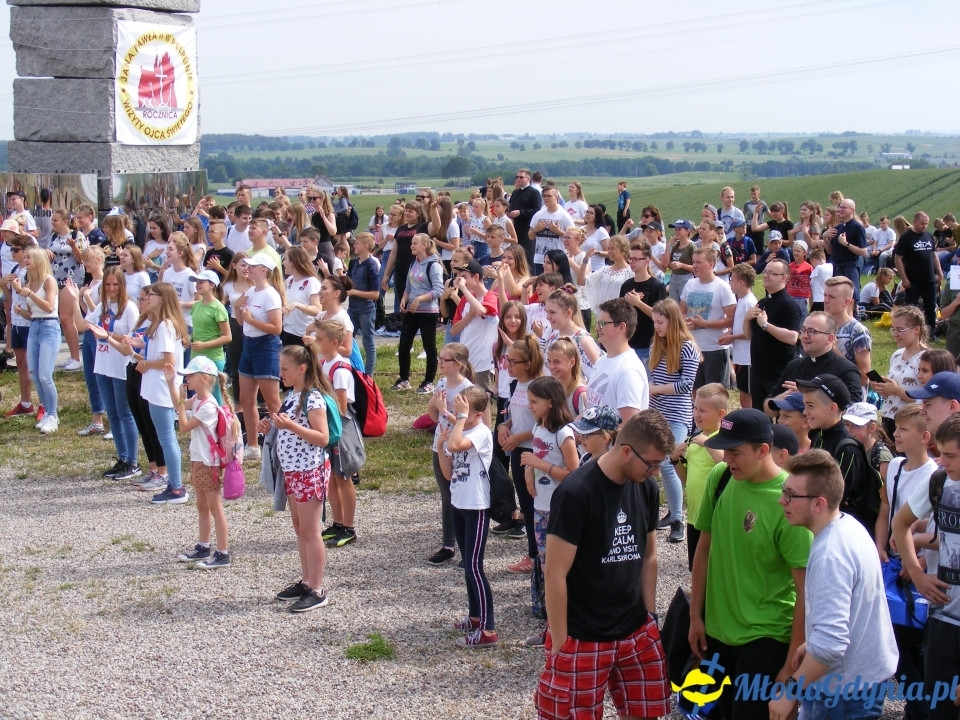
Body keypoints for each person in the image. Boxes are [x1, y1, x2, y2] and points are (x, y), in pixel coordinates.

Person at [536, 410, 674, 720]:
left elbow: (649, 556)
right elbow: (555, 573)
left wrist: (649, 616)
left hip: (636, 629)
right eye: (651, 464)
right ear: (626, 450)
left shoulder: (646, 487)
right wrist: (560, 641)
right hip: (582, 634)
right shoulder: (576, 493)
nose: (655, 472)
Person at [690, 409, 812, 720]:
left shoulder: (790, 499)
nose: (727, 458)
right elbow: (703, 549)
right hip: (717, 634)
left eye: (735, 451)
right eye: (725, 450)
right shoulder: (721, 478)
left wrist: (789, 666)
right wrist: (695, 615)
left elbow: (805, 592)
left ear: (763, 450)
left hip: (766, 638)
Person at [769, 450, 898, 720]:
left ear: (819, 504)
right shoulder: (848, 525)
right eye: (784, 490)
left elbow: (831, 644)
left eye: (791, 494)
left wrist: (790, 693)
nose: (782, 500)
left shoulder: (831, 554)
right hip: (859, 681)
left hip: (842, 693)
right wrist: (815, 643)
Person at [892, 412, 960, 720]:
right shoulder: (940, 480)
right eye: (941, 454)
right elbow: (899, 523)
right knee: (940, 709)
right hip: (943, 616)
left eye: (951, 456)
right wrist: (918, 575)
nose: (942, 462)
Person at [268, 345, 334, 613]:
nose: (280, 373)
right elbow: (288, 427)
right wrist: (270, 425)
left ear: (301, 369)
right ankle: (307, 581)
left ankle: (317, 589)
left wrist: (290, 426)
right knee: (300, 528)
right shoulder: (291, 395)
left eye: (284, 369)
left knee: (311, 531)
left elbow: (323, 437)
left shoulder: (313, 398)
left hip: (309, 471)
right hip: (293, 471)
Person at [437, 386, 498, 648]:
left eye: (463, 410)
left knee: (475, 566)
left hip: (476, 505)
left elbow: (456, 443)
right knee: (467, 564)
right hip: (458, 502)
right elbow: (449, 472)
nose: (457, 413)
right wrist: (441, 448)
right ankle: (475, 617)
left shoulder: (482, 432)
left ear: (478, 413)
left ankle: (488, 629)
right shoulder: (463, 428)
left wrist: (458, 419)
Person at [520, 376, 578, 644]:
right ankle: (548, 617)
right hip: (540, 505)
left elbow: (574, 475)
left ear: (551, 403)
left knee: (554, 567)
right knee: (543, 563)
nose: (529, 406)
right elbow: (534, 456)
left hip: (559, 509)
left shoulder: (564, 434)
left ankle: (558, 625)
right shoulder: (539, 427)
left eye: (534, 402)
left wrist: (538, 465)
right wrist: (530, 473)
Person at [68, 266, 141, 478]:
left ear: (122, 285)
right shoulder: (103, 305)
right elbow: (82, 325)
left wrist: (107, 334)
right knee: (113, 414)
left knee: (125, 413)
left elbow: (132, 340)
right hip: (103, 365)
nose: (111, 288)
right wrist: (75, 300)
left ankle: (133, 462)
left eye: (115, 284)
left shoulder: (129, 308)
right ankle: (123, 457)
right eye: (108, 285)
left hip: (121, 365)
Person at [165, 357, 233, 569]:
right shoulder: (198, 401)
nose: (187, 378)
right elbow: (178, 405)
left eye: (191, 375)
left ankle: (223, 552)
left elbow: (183, 426)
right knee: (202, 505)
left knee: (215, 507)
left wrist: (182, 404)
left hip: (208, 463)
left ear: (205, 378)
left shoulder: (208, 407)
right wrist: (170, 384)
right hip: (198, 460)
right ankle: (203, 546)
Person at [125, 282, 190, 504]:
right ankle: (175, 484)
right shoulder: (160, 325)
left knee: (166, 438)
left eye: (151, 295)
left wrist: (146, 364)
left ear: (162, 299)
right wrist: (141, 347)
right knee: (165, 437)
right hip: (158, 387)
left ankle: (177, 487)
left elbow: (167, 361)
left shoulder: (164, 326)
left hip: (162, 388)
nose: (146, 298)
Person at [797, 374, 880, 531]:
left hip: (842, 530)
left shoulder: (847, 449)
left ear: (832, 408)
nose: (805, 412)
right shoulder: (819, 436)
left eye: (811, 406)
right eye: (805, 405)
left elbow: (834, 499)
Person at [649, 299, 701, 545]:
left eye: (661, 322)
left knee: (669, 462)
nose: (657, 327)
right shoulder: (656, 345)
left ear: (672, 320)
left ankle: (678, 519)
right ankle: (672, 510)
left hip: (678, 415)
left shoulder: (687, 347)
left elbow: (685, 385)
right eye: (655, 322)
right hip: (656, 412)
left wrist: (656, 389)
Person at [425, 343, 475, 567]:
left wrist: (445, 409)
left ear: (459, 364)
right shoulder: (442, 383)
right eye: (440, 358)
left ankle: (468, 549)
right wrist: (436, 405)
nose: (440, 362)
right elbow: (434, 416)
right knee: (447, 497)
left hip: (459, 447)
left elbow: (467, 424)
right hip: (440, 445)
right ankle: (448, 545)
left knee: (462, 497)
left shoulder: (468, 390)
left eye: (445, 359)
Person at [670, 383, 728, 569]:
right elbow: (686, 479)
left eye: (703, 410)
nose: (696, 414)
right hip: (694, 516)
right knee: (696, 567)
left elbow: (726, 467)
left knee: (714, 568)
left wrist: (708, 443)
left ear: (720, 414)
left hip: (715, 518)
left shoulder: (724, 440)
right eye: (695, 408)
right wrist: (675, 461)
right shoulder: (693, 440)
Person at [499, 335, 544, 570]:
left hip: (534, 452)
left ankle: (538, 556)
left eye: (513, 361)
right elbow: (513, 415)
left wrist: (520, 436)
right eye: (507, 359)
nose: (508, 365)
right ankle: (533, 554)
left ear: (528, 363)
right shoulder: (515, 385)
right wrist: (503, 427)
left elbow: (545, 423)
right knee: (526, 506)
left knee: (536, 505)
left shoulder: (539, 386)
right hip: (518, 450)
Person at [236, 253, 285, 462]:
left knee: (273, 401)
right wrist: (237, 307)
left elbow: (276, 328)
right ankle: (253, 445)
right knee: (246, 399)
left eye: (254, 266)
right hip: (249, 344)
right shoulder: (250, 291)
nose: (249, 269)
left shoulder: (270, 294)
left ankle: (283, 440)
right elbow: (241, 322)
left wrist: (250, 319)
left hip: (266, 346)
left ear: (264, 270)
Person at [764, 312, 862, 416]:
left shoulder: (847, 370)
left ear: (830, 338)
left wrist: (807, 396)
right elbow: (768, 409)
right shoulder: (793, 366)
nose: (805, 336)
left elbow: (853, 412)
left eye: (812, 331)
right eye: (803, 330)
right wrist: (782, 398)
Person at [13, 248, 60, 433]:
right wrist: (20, 312)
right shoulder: (30, 281)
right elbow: (34, 313)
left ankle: (53, 414)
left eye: (28, 257)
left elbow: (49, 307)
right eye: (24, 257)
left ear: (38, 260)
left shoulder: (49, 280)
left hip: (49, 327)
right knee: (34, 374)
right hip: (35, 326)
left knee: (45, 376)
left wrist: (28, 294)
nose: (25, 260)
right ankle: (48, 412)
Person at [391, 233, 444, 394]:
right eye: (412, 243)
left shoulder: (433, 265)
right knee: (404, 344)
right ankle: (404, 378)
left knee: (429, 346)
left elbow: (438, 290)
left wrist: (420, 299)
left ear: (425, 245)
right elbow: (408, 286)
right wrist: (404, 298)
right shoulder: (413, 263)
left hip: (428, 311)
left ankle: (428, 381)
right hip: (411, 310)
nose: (411, 246)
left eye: (415, 243)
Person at [585, 298, 650, 422]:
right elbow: (589, 411)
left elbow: (627, 424)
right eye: (598, 323)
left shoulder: (629, 370)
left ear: (621, 327)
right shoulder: (602, 360)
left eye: (603, 323)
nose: (597, 328)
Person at [680, 247, 736, 389]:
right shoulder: (690, 284)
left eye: (699, 262)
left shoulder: (722, 287)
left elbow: (731, 319)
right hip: (692, 348)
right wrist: (685, 323)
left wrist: (705, 323)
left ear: (711, 264)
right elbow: (681, 313)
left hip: (714, 349)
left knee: (714, 392)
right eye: (693, 262)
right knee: (693, 390)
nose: (694, 266)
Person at [873, 304, 927, 439]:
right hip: (888, 417)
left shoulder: (927, 358)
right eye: (893, 329)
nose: (895, 334)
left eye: (900, 330)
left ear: (916, 329)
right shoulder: (897, 355)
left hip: (910, 423)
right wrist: (883, 388)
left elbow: (927, 399)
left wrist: (896, 391)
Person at [450, 260, 499, 393]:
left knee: (482, 400)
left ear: (476, 277)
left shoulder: (490, 296)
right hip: (466, 359)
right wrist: (468, 317)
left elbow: (482, 311)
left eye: (465, 277)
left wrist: (464, 289)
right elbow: (454, 330)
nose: (461, 280)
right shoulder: (466, 299)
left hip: (483, 361)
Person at [619, 240, 666, 367]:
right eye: (630, 258)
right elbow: (619, 313)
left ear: (647, 261)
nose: (631, 262)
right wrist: (626, 302)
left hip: (647, 343)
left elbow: (661, 316)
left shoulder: (656, 286)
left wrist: (638, 303)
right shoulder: (627, 285)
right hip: (628, 342)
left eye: (635, 259)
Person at [895, 211, 942, 338]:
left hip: (929, 279)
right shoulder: (906, 237)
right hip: (913, 280)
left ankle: (931, 333)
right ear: (914, 221)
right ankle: (910, 333)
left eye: (926, 224)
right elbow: (898, 258)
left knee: (931, 306)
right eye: (922, 223)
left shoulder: (928, 236)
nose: (924, 226)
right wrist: (904, 278)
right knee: (912, 309)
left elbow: (933, 255)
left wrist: (940, 272)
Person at [823, 276, 872, 397]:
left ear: (847, 302)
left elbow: (864, 377)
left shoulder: (857, 331)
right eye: (825, 295)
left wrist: (834, 351)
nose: (825, 300)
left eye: (832, 297)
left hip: (850, 400)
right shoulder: (822, 327)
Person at [723, 263, 758, 409]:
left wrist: (732, 337)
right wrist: (730, 332)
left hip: (748, 356)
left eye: (732, 280)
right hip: (741, 355)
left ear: (741, 282)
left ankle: (749, 418)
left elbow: (751, 333)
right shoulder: (742, 300)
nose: (730, 283)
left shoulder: (749, 302)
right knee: (743, 389)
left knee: (746, 392)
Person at [823, 198, 868, 302]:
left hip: (850, 267)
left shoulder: (857, 227)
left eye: (844, 207)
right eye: (840, 207)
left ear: (852, 210)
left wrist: (846, 244)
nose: (840, 209)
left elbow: (864, 252)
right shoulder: (838, 228)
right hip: (836, 267)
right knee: (836, 296)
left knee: (851, 296)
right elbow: (830, 251)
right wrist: (824, 238)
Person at [528, 186, 574, 275]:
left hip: (557, 259)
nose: (546, 198)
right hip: (540, 259)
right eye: (544, 196)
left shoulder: (564, 216)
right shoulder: (538, 215)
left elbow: (573, 238)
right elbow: (530, 236)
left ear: (556, 197)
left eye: (549, 196)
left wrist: (558, 231)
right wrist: (535, 230)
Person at [507, 168, 542, 269]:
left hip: (527, 228)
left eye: (521, 177)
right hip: (515, 228)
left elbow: (536, 210)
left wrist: (520, 213)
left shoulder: (534, 193)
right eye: (517, 177)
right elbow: (511, 206)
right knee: (515, 254)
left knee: (527, 255)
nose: (518, 179)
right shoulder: (515, 192)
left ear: (528, 179)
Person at [666, 219, 696, 301]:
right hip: (673, 279)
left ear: (687, 231)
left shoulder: (691, 246)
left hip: (686, 279)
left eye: (679, 229)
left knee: (685, 306)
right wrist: (668, 246)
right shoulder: (675, 246)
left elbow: (696, 267)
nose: (676, 232)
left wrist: (681, 265)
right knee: (674, 307)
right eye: (675, 229)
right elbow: (667, 265)